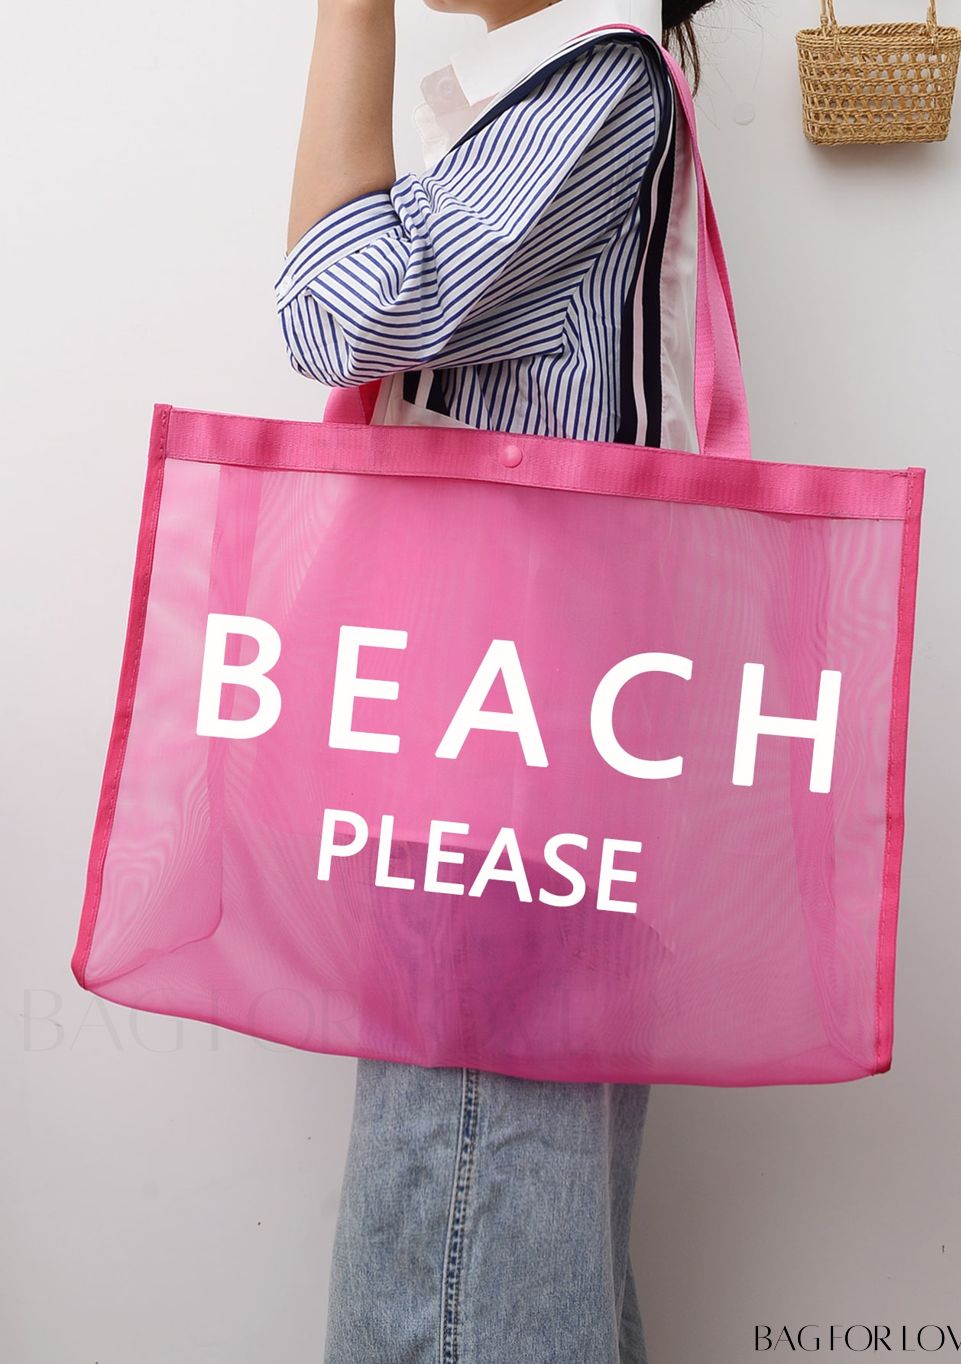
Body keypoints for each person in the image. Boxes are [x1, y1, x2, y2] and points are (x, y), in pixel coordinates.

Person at [274, 2, 716, 1360]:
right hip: (533, 762)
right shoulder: (570, 96)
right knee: (518, 1245)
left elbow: (335, 310)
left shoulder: (595, 90)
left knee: (456, 1264)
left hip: (503, 788)